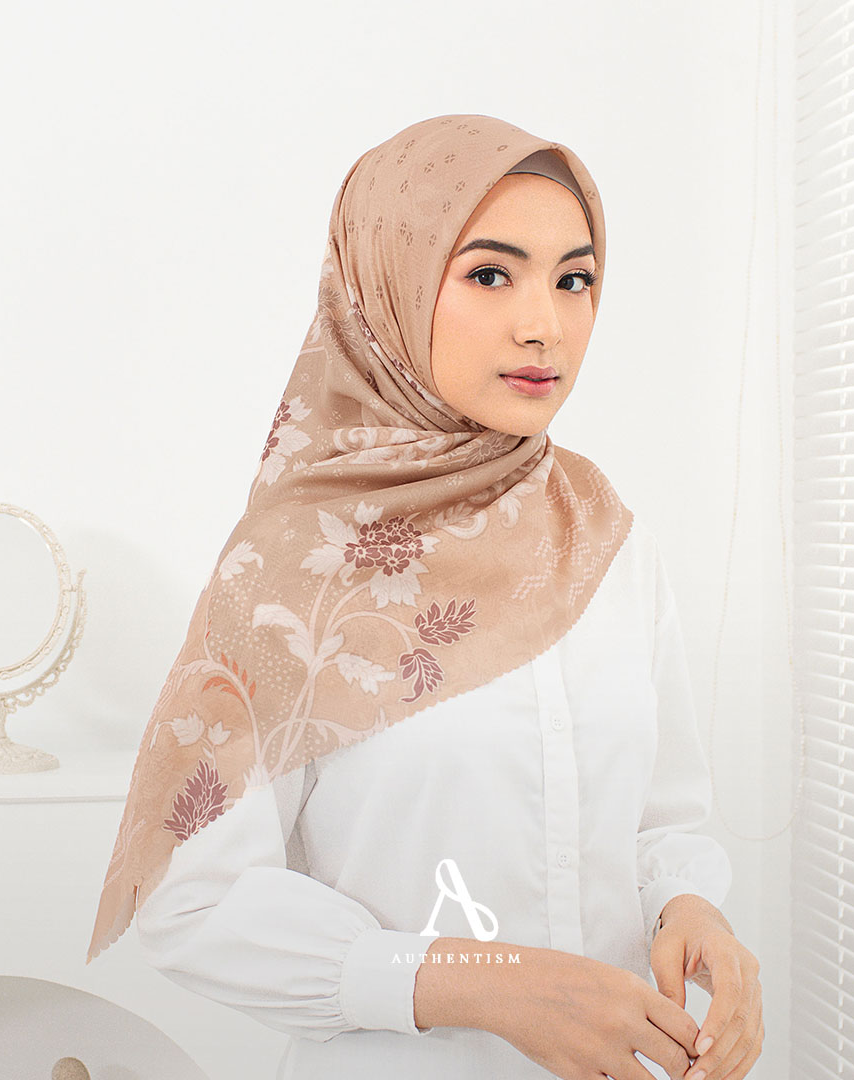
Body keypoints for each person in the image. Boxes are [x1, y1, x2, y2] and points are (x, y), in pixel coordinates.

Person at [86, 113, 764, 1080]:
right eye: (489, 275)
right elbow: (191, 901)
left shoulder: (606, 537)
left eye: (574, 280)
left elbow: (662, 818)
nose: (544, 324)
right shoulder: (293, 571)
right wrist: (484, 984)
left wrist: (691, 911)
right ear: (387, 289)